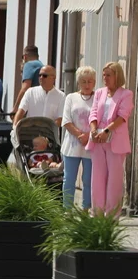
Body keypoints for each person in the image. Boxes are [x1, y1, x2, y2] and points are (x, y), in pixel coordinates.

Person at [86, 61, 133, 216]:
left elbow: (122, 116)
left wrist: (106, 131)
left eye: (108, 75)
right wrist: (93, 130)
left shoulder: (126, 94)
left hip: (115, 140)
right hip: (98, 140)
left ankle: (112, 214)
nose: (105, 78)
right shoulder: (99, 92)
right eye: (104, 75)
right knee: (97, 178)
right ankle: (97, 213)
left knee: (114, 180)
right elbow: (93, 113)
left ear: (117, 76)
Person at [59, 66, 95, 209]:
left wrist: (88, 136)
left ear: (94, 82)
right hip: (72, 144)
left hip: (91, 144)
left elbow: (100, 119)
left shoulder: (97, 97)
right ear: (78, 82)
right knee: (69, 179)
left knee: (88, 179)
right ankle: (67, 210)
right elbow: (66, 121)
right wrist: (79, 135)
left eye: (90, 81)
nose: (87, 85)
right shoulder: (71, 97)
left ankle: (86, 208)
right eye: (83, 81)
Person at [14, 65, 64, 133]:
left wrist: (46, 131)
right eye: (39, 75)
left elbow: (60, 119)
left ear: (54, 78)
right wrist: (15, 127)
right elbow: (21, 111)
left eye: (44, 75)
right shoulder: (30, 92)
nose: (41, 78)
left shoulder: (61, 96)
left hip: (50, 136)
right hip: (30, 134)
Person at [13, 45, 43, 113]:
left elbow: (25, 88)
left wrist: (16, 108)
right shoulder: (41, 66)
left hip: (32, 106)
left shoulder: (29, 64)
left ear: (25, 57)